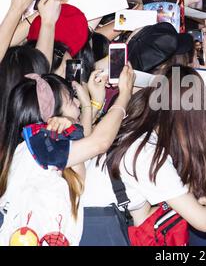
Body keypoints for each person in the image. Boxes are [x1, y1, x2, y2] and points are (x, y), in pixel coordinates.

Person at [81, 65, 206, 246]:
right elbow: (204, 222)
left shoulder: (134, 127)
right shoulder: (149, 155)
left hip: (96, 225)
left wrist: (191, 192)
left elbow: (141, 214)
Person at [0, 66, 134, 245]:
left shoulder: (37, 147)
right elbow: (99, 143)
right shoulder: (37, 147)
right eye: (71, 101)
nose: (77, 103)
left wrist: (89, 106)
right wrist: (125, 94)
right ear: (51, 117)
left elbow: (81, 150)